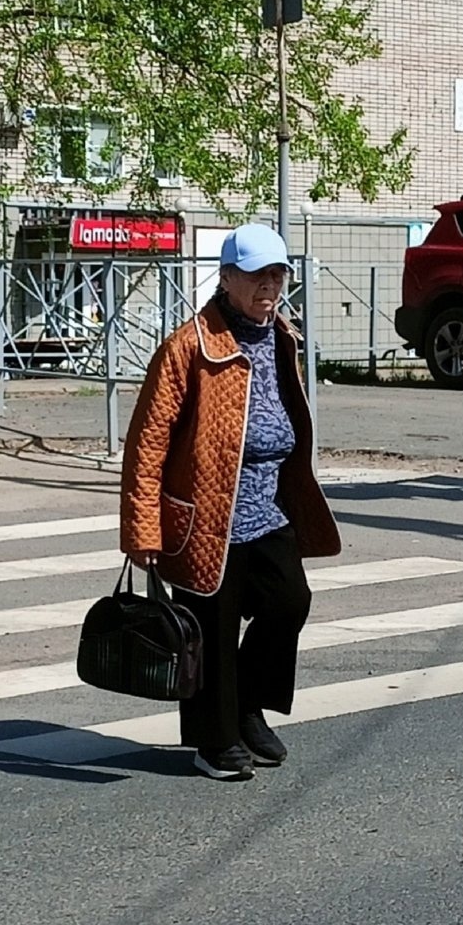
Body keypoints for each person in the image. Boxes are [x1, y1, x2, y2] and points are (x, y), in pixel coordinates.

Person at [120, 223, 341, 781]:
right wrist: (143, 529)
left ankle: (246, 707)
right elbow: (147, 442)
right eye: (256, 274)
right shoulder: (188, 346)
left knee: (289, 602)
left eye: (277, 273)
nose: (269, 285)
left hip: (269, 508)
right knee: (211, 634)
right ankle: (214, 742)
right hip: (205, 517)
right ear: (226, 278)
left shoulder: (282, 336)